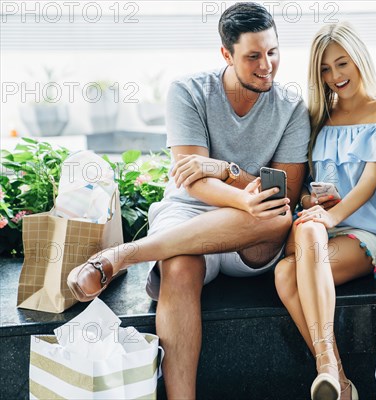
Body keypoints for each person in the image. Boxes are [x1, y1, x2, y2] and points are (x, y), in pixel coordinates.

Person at [67, 3, 310, 398]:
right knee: (179, 267)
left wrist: (224, 169)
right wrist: (240, 196)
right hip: (190, 212)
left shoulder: (292, 108)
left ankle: (125, 255)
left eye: (272, 52)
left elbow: (285, 191)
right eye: (253, 56)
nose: (266, 65)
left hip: (253, 230)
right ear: (226, 54)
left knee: (279, 216)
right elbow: (191, 182)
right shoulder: (189, 91)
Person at [274, 22, 376, 400]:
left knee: (308, 234)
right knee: (286, 273)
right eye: (324, 69)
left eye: (341, 63)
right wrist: (310, 203)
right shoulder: (318, 117)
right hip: (322, 230)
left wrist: (329, 217)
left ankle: (328, 368)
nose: (334, 76)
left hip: (364, 233)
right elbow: (304, 189)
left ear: (358, 60)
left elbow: (369, 184)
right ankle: (338, 380)